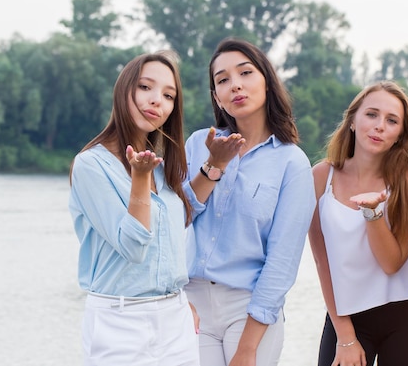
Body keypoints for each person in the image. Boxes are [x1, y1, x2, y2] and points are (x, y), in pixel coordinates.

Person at [182, 37, 316, 366]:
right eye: (223, 80)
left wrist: (248, 348)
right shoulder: (200, 143)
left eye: (245, 73)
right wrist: (214, 165)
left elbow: (282, 263)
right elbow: (177, 219)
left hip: (248, 310)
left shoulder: (292, 163)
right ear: (216, 96)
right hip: (191, 305)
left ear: (267, 82)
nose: (235, 86)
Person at [68, 52, 200, 366]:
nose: (157, 101)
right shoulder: (90, 165)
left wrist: (180, 302)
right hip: (120, 320)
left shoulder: (160, 168)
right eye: (145, 87)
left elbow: (175, 229)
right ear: (124, 90)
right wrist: (139, 179)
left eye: (169, 96)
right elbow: (133, 246)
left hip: (175, 318)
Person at [309, 81, 408, 366]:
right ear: (353, 120)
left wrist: (372, 212)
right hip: (347, 313)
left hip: (407, 312)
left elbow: (392, 263)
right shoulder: (320, 177)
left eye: (392, 121)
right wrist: (345, 336)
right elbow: (322, 260)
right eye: (371, 115)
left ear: (399, 135)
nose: (379, 126)